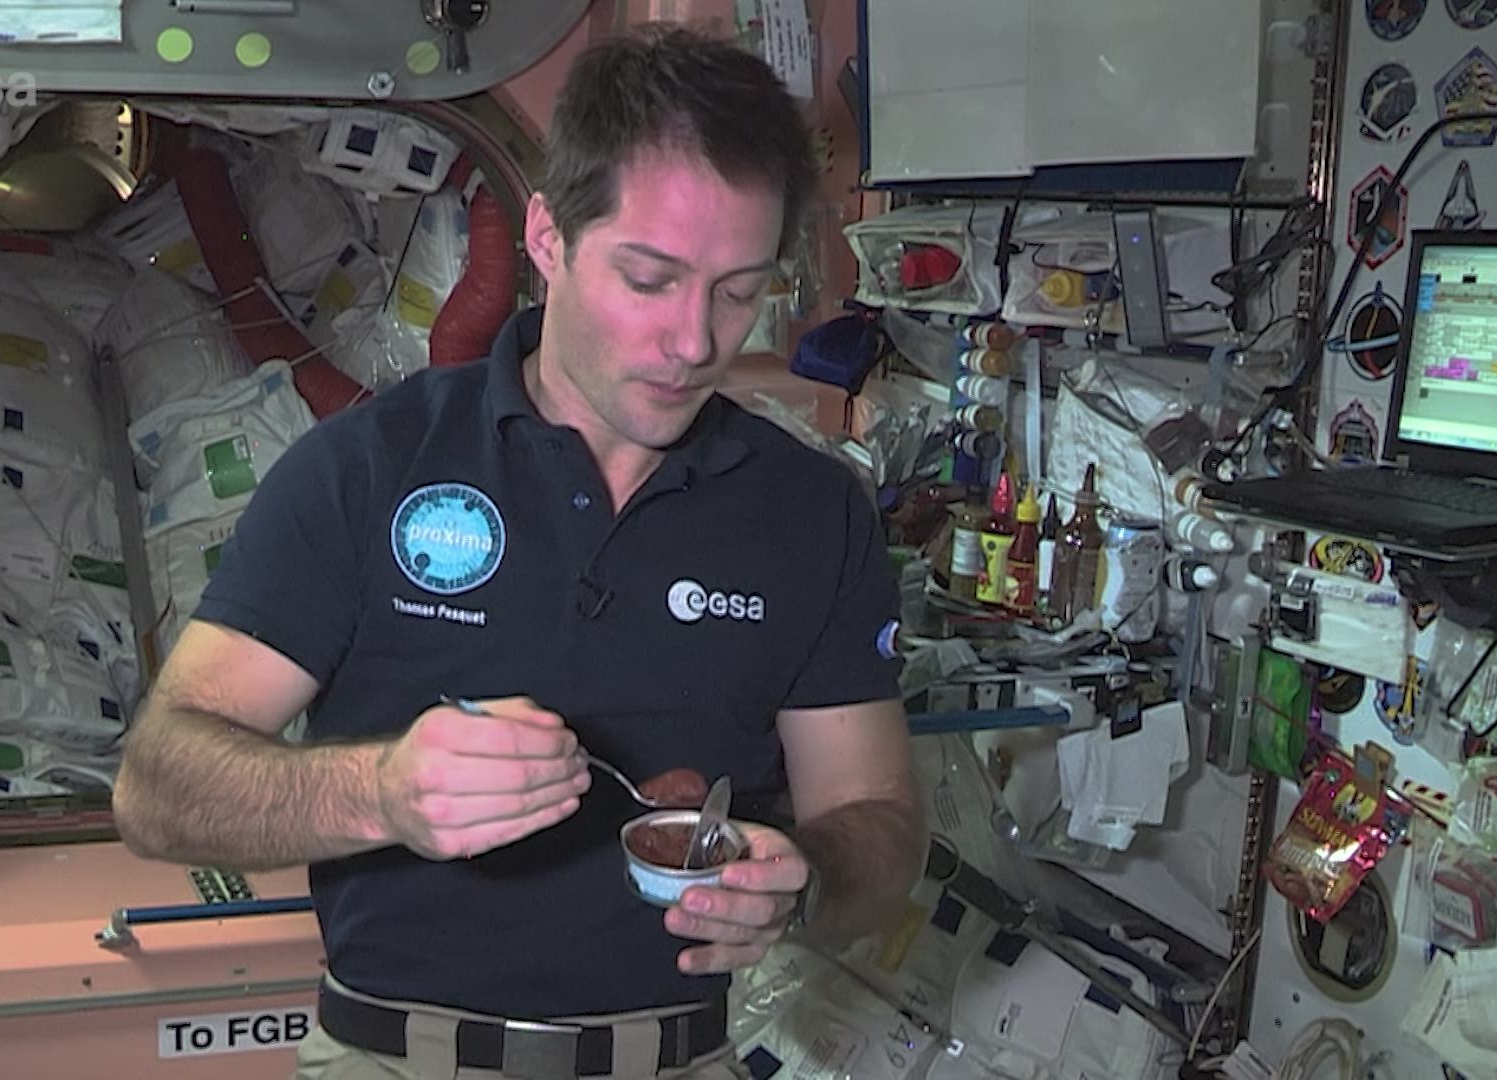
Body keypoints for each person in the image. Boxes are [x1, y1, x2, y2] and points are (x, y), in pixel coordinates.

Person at [112, 24, 925, 1080]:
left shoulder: (812, 513)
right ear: (547, 237)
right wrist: (381, 793)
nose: (694, 342)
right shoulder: (370, 467)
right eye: (650, 278)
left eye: (737, 291)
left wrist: (803, 878)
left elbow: (882, 829)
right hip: (395, 1058)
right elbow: (158, 785)